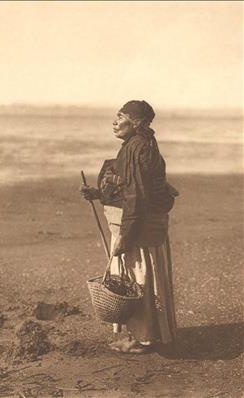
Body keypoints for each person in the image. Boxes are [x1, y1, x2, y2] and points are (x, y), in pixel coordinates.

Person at [80, 100, 178, 353]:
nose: (114, 121)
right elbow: (131, 189)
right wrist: (99, 194)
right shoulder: (142, 145)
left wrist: (125, 235)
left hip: (137, 229)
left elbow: (136, 199)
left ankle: (143, 338)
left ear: (136, 123)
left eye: (120, 116)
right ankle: (150, 333)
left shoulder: (136, 149)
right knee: (144, 279)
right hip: (146, 227)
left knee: (138, 279)